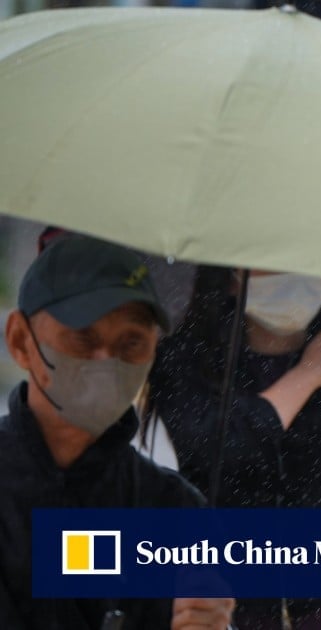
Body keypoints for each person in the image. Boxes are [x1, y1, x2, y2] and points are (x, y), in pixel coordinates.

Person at [142, 266, 321, 629]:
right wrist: (309, 374)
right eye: (275, 260)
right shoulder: (185, 359)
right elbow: (214, 449)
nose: (294, 270)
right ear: (232, 266)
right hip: (221, 603)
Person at [0, 234, 235, 629]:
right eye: (83, 336)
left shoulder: (175, 512)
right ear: (21, 342)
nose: (105, 362)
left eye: (132, 343)